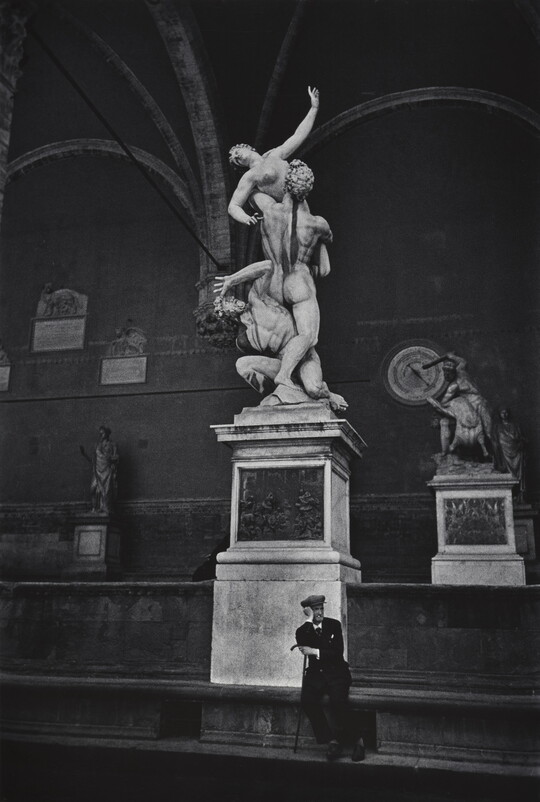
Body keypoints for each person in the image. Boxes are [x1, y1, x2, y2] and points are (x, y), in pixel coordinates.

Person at [214, 180, 346, 410]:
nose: (231, 304)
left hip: (303, 357)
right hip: (281, 361)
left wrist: (232, 279)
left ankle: (323, 393)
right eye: (226, 308)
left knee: (315, 387)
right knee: (243, 365)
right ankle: (284, 387)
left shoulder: (256, 298)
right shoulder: (245, 337)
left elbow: (266, 266)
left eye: (229, 301)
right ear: (228, 317)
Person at [227, 86, 319, 225]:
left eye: (237, 151)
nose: (236, 156)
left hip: (300, 202)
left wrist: (313, 108)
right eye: (236, 160)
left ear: (247, 147)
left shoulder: (274, 154)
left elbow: (298, 136)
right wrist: (246, 218)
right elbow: (233, 206)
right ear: (241, 165)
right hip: (284, 209)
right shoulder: (250, 176)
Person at [295, 594, 365, 762]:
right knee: (307, 700)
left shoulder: (334, 625)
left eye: (321, 609)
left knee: (337, 701)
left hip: (337, 673)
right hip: (316, 675)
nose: (319, 613)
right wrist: (309, 621)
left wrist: (315, 651)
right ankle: (331, 741)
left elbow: (337, 653)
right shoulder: (303, 630)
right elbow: (302, 642)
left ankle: (358, 741)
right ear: (310, 612)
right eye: (315, 610)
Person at [424, 352, 492, 458]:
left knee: (489, 433)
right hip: (480, 404)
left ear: (453, 372)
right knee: (488, 433)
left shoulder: (454, 385)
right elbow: (462, 361)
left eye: (448, 373)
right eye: (445, 373)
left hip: (477, 406)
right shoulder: (462, 371)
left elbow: (443, 403)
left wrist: (437, 406)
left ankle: (496, 459)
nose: (446, 375)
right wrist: (448, 356)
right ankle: (448, 451)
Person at [80, 426, 119, 514]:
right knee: (93, 489)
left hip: (107, 471)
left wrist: (108, 458)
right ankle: (94, 509)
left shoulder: (113, 445)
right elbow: (93, 460)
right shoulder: (97, 445)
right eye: (100, 433)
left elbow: (116, 457)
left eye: (103, 433)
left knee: (107, 491)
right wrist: (84, 454)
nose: (101, 434)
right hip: (97, 470)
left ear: (107, 433)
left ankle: (105, 509)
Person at [492, 408, 526, 500]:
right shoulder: (497, 427)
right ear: (499, 414)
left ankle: (519, 495)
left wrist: (520, 443)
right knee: (505, 474)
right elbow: (494, 441)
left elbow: (522, 438)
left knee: (518, 474)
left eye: (506, 412)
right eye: (502, 412)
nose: (504, 414)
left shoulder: (515, 426)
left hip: (516, 452)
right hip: (503, 453)